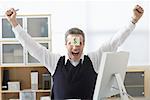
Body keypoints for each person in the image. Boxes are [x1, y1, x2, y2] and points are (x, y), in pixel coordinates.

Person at [5, 5, 144, 99]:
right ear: (65, 44)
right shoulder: (55, 62)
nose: (75, 47)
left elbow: (115, 42)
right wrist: (14, 24)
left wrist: (133, 20)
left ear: (84, 44)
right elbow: (32, 47)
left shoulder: (93, 59)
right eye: (71, 43)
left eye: (79, 43)